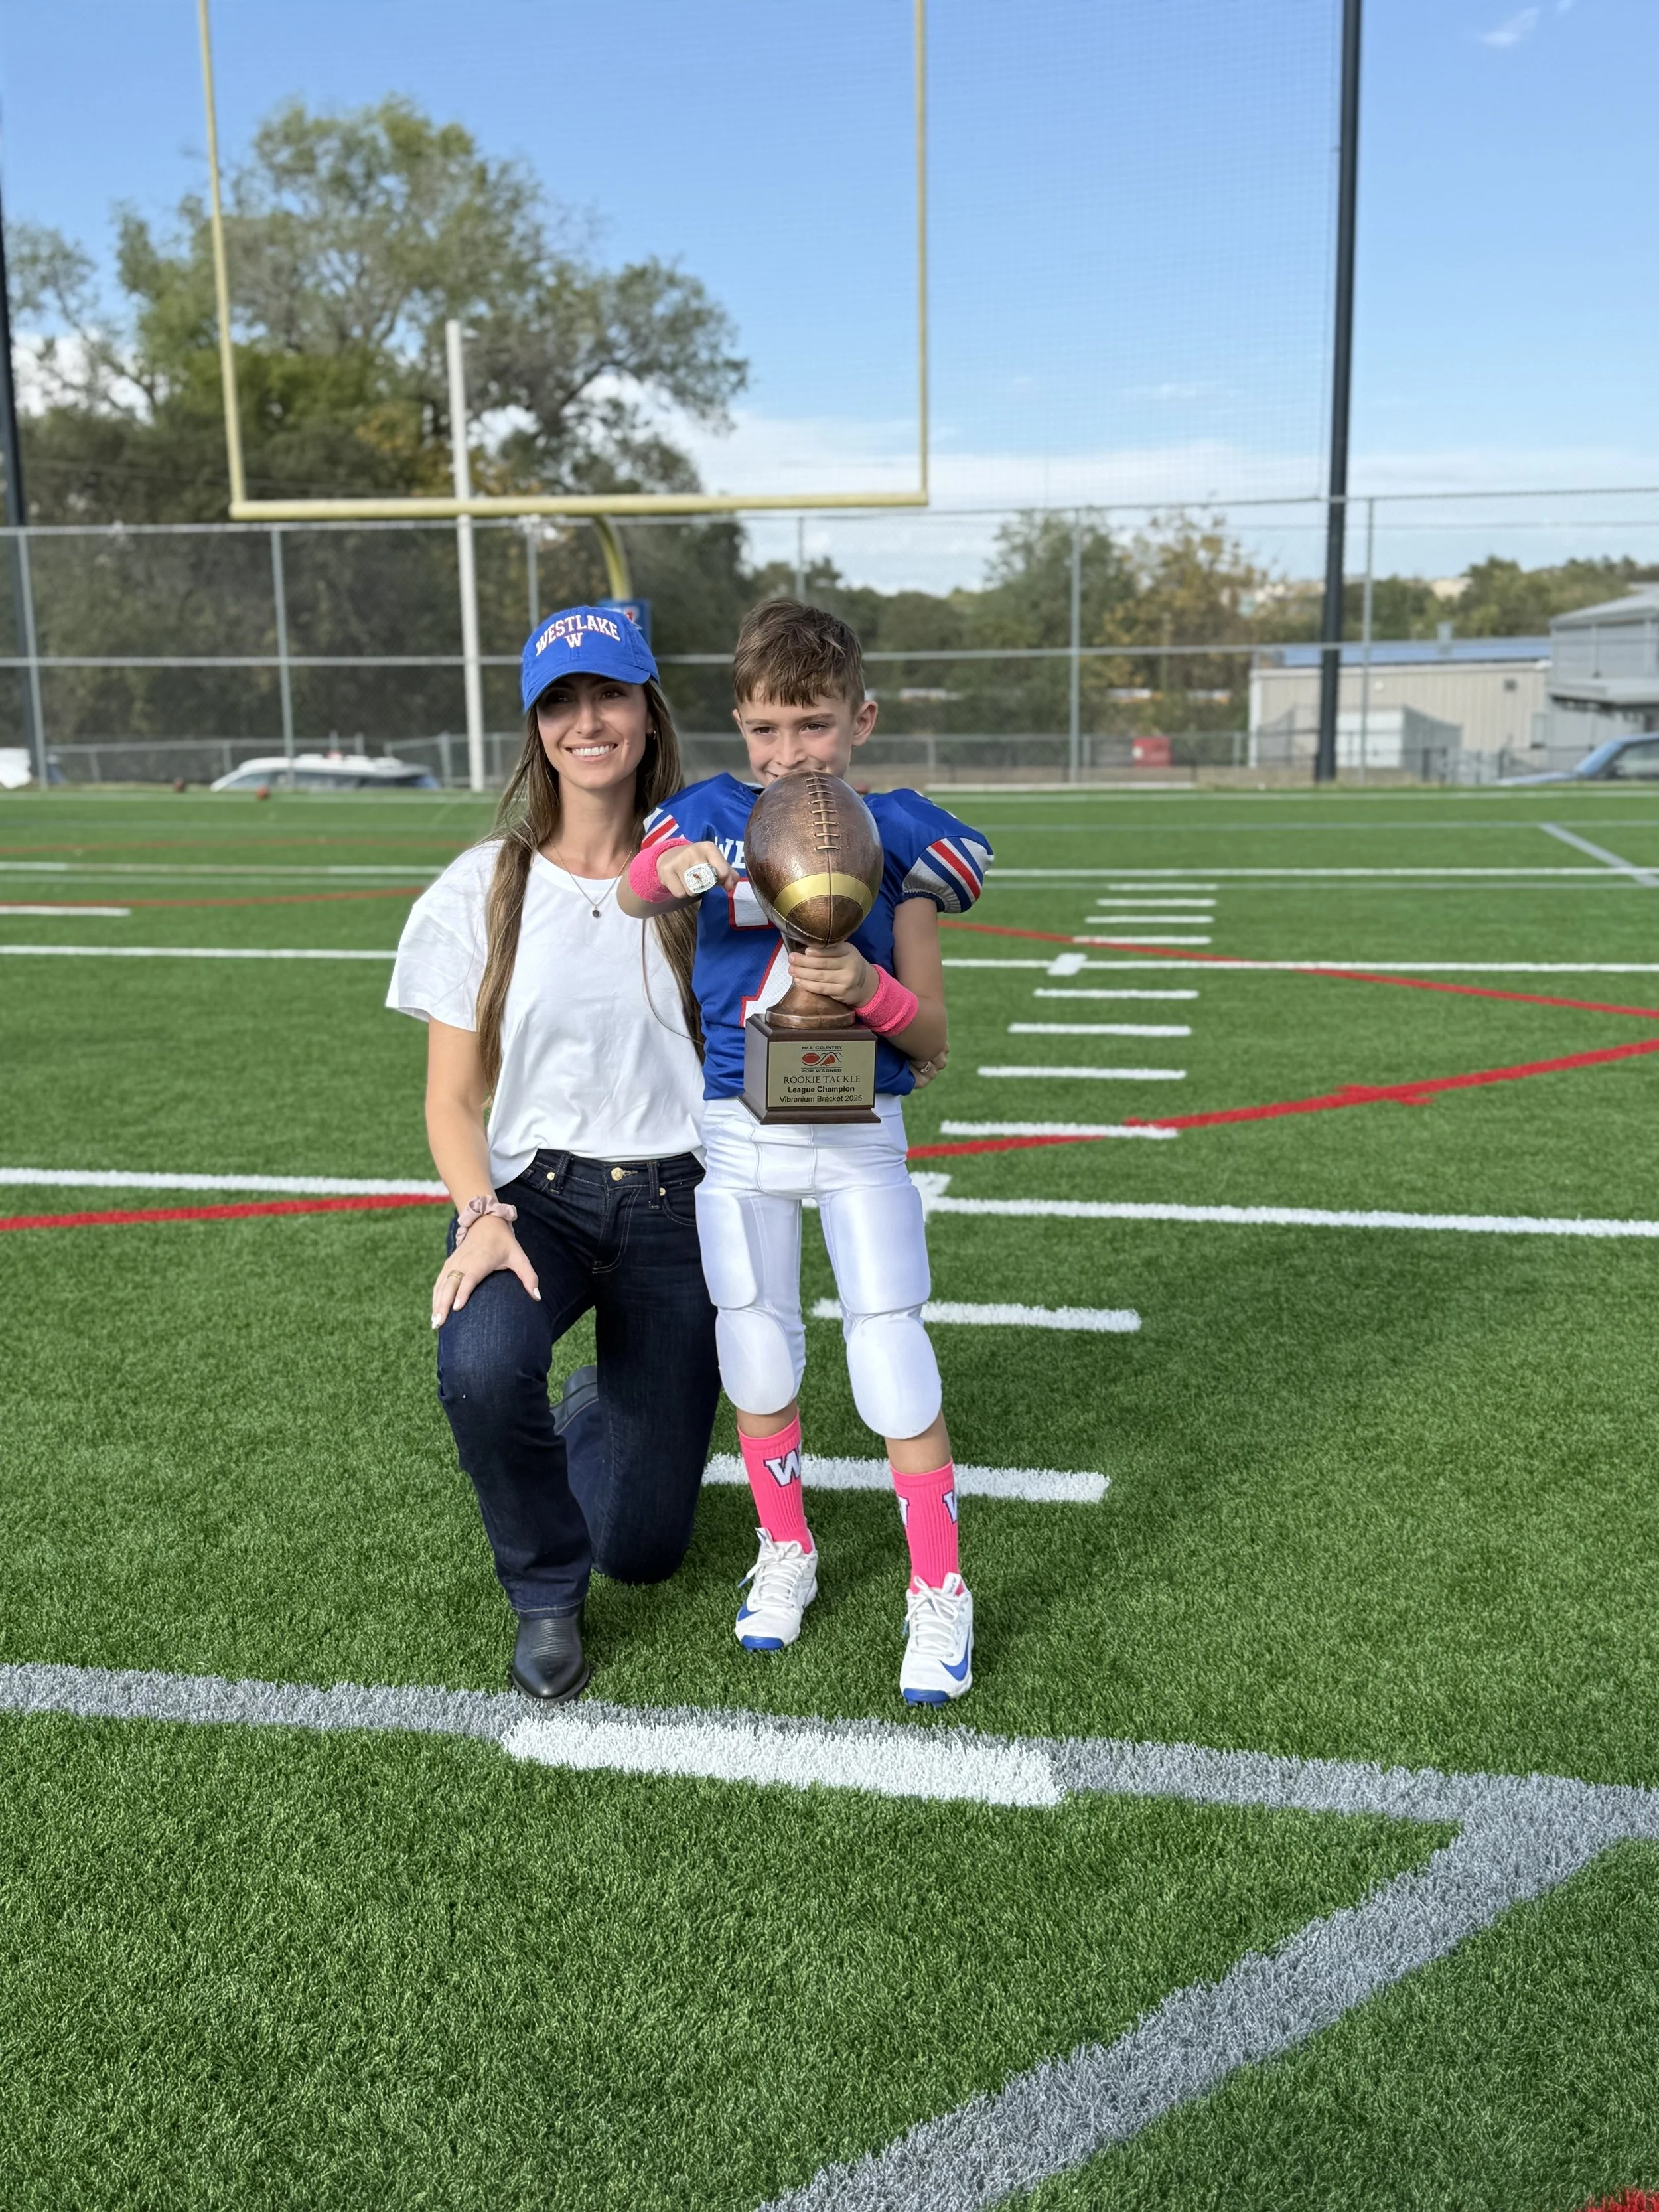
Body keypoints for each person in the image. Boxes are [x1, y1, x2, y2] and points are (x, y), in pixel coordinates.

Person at [617, 599, 992, 1704]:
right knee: (758, 1347)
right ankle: (787, 1549)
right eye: (770, 729)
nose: (791, 751)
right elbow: (635, 889)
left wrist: (865, 990)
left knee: (890, 1349)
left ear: (861, 719)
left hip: (860, 1130)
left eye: (815, 725)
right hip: (738, 1130)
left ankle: (941, 1586)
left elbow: (931, 1031)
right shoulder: (709, 815)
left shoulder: (908, 833)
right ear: (741, 726)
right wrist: (678, 876)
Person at [388, 605, 719, 1703]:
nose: (589, 721)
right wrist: (480, 1214)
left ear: (646, 710)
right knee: (479, 1364)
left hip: (683, 1206)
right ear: (537, 728)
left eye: (609, 695)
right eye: (562, 702)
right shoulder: (484, 886)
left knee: (646, 1549)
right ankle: (542, 1592)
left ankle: (596, 1414)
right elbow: (452, 1098)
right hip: (538, 1200)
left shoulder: (706, 874)